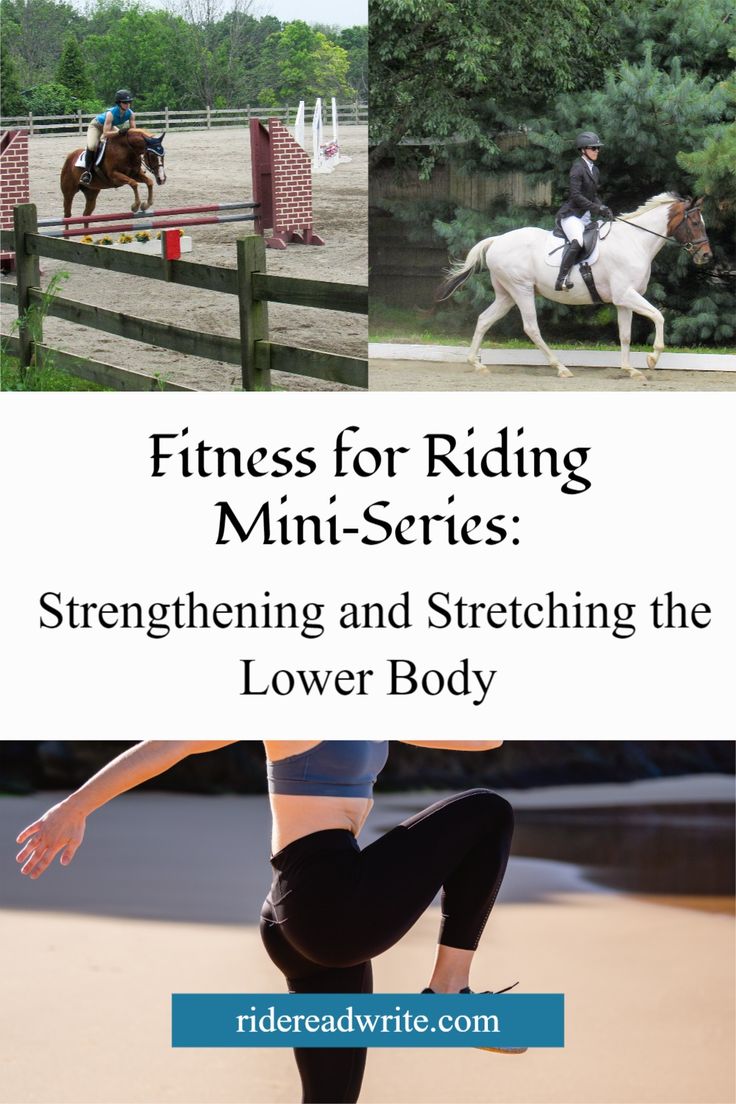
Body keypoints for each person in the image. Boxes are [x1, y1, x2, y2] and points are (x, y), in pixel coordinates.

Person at [16, 740, 522, 1104]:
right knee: (487, 811)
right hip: (326, 904)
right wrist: (74, 806)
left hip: (303, 912)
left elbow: (485, 738)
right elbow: (171, 744)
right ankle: (448, 993)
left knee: (332, 1099)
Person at [554, 130, 613, 291]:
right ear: (583, 150)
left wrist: (604, 208)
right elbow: (576, 196)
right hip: (571, 215)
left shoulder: (594, 170)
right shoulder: (577, 168)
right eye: (593, 148)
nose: (597, 151)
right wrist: (597, 208)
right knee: (578, 241)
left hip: (585, 217)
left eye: (598, 148)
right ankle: (561, 279)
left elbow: (593, 196)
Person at [80, 89, 136, 185]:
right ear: (119, 103)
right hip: (96, 126)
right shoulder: (110, 114)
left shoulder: (131, 114)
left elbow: (133, 131)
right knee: (92, 146)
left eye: (129, 102)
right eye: (125, 102)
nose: (127, 104)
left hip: (110, 126)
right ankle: (87, 172)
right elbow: (106, 133)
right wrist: (119, 132)